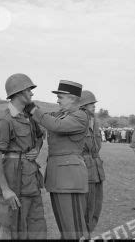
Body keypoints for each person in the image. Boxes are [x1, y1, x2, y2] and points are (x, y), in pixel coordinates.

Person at [24, 80, 89, 239]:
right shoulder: (61, 114)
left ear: (73, 98)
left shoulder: (80, 116)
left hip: (69, 180)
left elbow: (55, 125)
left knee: (73, 229)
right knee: (65, 226)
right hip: (59, 178)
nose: (57, 100)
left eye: (60, 97)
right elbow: (45, 118)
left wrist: (32, 108)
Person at [0, 73, 47, 239]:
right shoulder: (5, 120)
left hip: (31, 180)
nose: (32, 93)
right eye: (29, 89)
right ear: (20, 92)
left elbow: (40, 136)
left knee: (36, 226)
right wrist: (6, 190)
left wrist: (36, 148)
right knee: (12, 228)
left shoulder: (30, 118)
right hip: (13, 180)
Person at [79, 90, 105, 236]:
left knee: (96, 205)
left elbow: (98, 144)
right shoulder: (79, 122)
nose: (94, 106)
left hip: (96, 167)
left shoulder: (95, 121)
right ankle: (84, 234)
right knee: (86, 205)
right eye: (91, 104)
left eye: (94, 104)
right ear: (83, 106)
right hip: (85, 167)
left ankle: (89, 231)